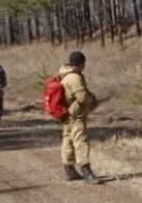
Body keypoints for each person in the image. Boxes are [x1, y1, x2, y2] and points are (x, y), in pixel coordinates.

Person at [59, 51, 102, 184]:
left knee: (68, 141)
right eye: (84, 63)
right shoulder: (74, 78)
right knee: (80, 141)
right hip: (76, 115)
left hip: (66, 114)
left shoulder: (64, 76)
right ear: (80, 63)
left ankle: (69, 170)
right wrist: (92, 99)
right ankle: (87, 171)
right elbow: (82, 98)